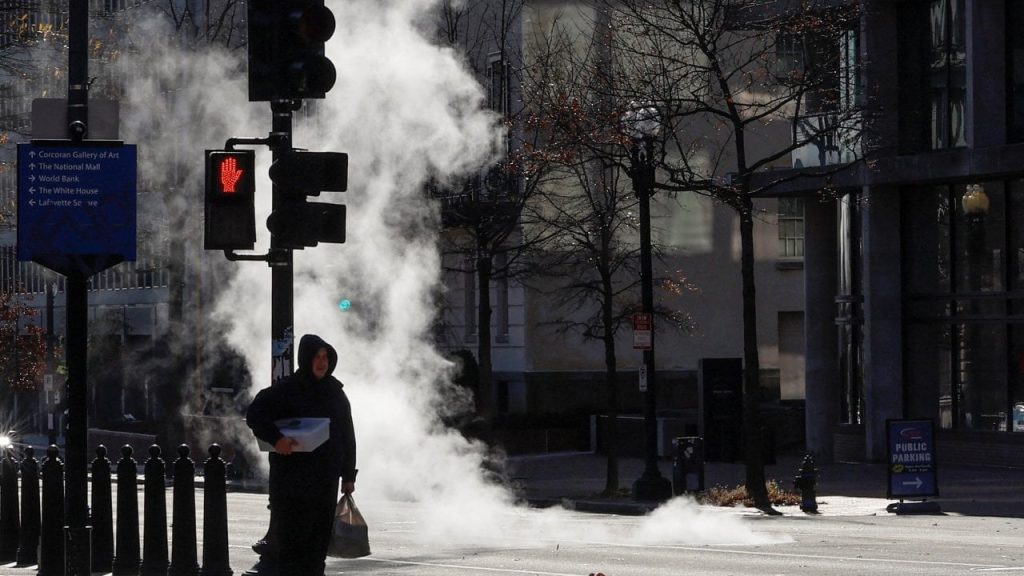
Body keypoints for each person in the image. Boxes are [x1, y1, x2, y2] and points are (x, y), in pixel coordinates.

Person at [246, 334, 357, 576]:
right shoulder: (286, 390)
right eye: (317, 357)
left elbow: (347, 435)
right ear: (306, 359)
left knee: (317, 548)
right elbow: (255, 414)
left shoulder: (335, 393)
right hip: (291, 485)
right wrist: (277, 439)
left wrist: (349, 476)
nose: (322, 362)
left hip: (324, 484)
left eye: (325, 357)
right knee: (292, 547)